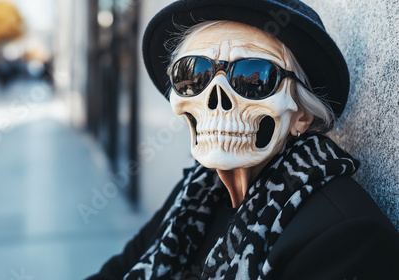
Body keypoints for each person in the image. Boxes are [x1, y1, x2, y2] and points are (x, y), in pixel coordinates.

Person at [88, 0, 399, 279]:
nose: (215, 100)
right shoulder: (196, 191)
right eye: (194, 74)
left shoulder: (343, 237)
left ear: (302, 116)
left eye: (254, 78)